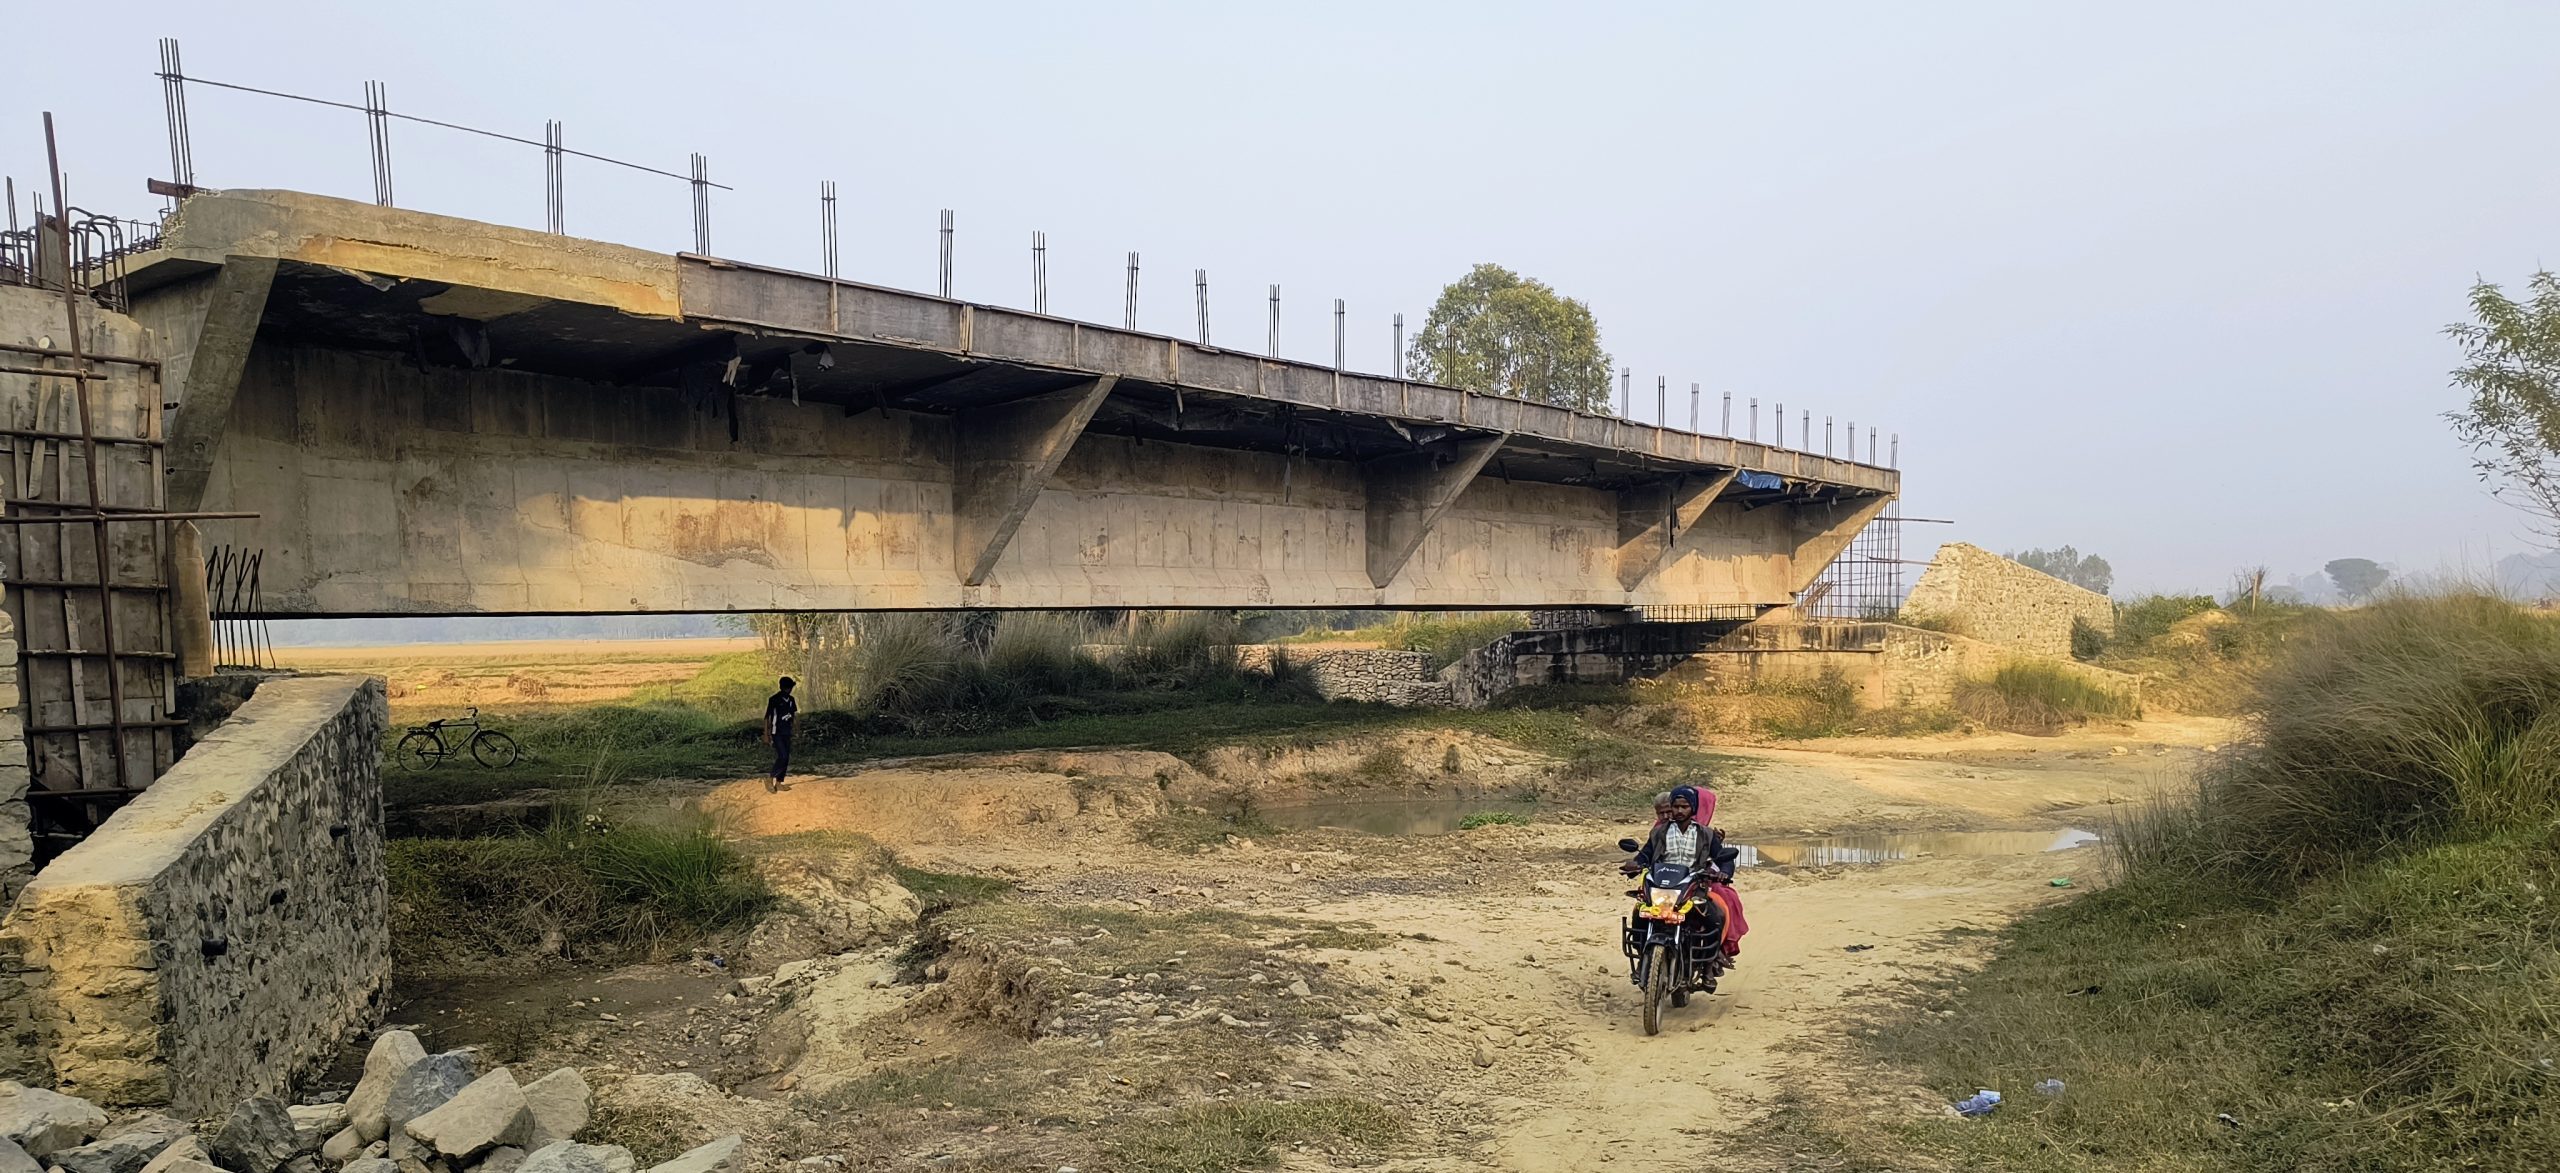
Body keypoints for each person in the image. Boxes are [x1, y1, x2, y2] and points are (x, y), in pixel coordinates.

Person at [762, 676, 797, 793]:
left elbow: (793, 716)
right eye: (788, 687)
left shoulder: (791, 700)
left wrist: (796, 730)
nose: (790, 690)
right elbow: (767, 717)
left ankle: (779, 782)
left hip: (787, 732)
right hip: (776, 732)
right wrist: (766, 734)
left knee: (786, 757)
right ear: (784, 688)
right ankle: (770, 778)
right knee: (783, 756)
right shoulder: (774, 699)